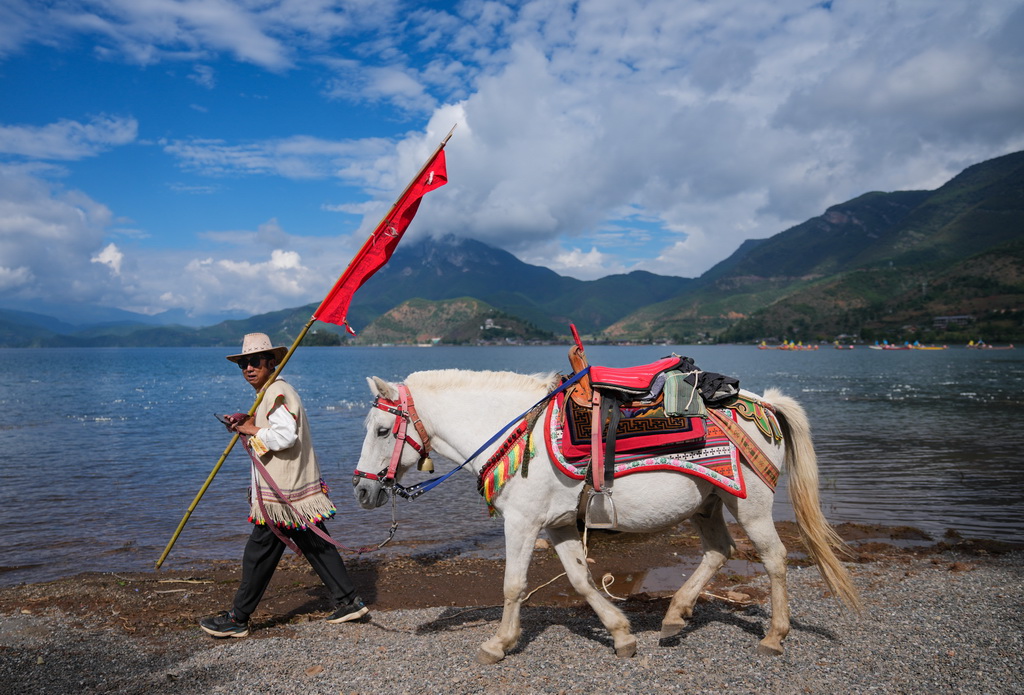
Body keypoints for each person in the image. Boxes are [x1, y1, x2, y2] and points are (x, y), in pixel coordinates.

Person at [199, 333, 367, 638]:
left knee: (258, 553)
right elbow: (274, 433)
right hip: (289, 490)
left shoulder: (277, 391)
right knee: (316, 544)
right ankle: (349, 601)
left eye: (254, 362)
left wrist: (249, 428)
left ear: (271, 362)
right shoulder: (270, 393)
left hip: (283, 495)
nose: (248, 368)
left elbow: (285, 436)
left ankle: (238, 619)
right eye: (243, 364)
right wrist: (247, 424)